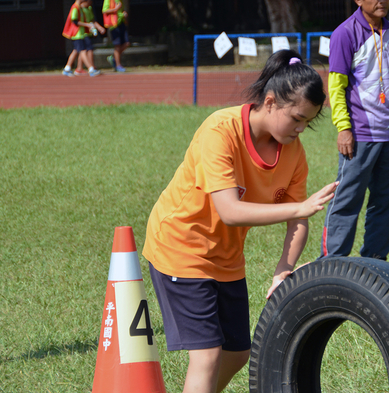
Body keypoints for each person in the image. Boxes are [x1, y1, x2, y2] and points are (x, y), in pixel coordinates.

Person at [143, 49, 338, 393]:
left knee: (237, 353)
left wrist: (284, 267)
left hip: (227, 258)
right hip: (181, 246)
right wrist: (300, 209)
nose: (300, 128)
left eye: (308, 122)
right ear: (271, 101)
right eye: (296, 118)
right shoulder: (220, 130)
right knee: (207, 356)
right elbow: (230, 211)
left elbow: (298, 221)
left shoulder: (292, 152)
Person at [318, 0, 389, 261]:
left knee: (387, 202)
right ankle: (333, 262)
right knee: (346, 200)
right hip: (360, 135)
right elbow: (336, 86)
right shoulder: (344, 33)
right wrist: (343, 128)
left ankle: (375, 261)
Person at [61, 0, 101, 77]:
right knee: (83, 51)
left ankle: (67, 68)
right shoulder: (75, 7)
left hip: (80, 33)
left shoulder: (80, 8)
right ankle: (91, 69)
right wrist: (87, 25)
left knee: (75, 51)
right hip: (77, 34)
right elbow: (75, 21)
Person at [74, 0, 106, 76]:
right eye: (88, 1)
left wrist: (99, 28)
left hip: (87, 32)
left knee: (83, 50)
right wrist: (87, 25)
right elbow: (75, 21)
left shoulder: (89, 8)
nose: (90, 3)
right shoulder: (78, 9)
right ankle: (91, 67)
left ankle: (79, 68)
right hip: (81, 33)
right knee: (87, 49)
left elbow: (92, 20)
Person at [102, 0, 130, 73]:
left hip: (121, 23)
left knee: (126, 43)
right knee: (117, 45)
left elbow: (121, 10)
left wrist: (124, 13)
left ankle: (113, 58)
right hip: (114, 24)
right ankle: (118, 65)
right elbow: (105, 11)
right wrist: (115, 9)